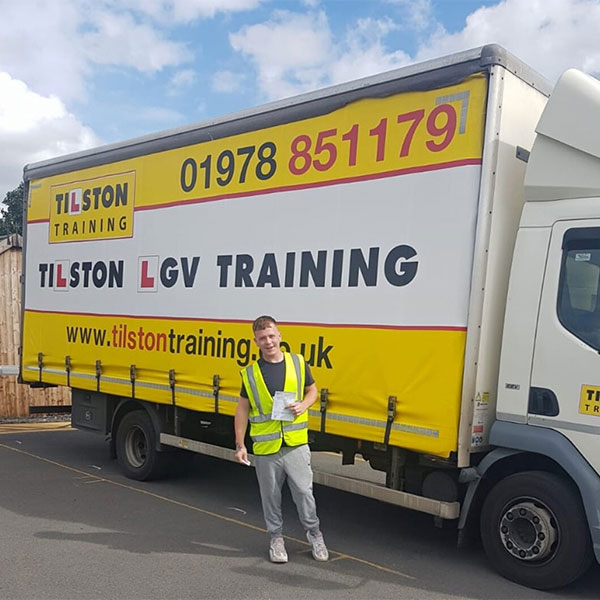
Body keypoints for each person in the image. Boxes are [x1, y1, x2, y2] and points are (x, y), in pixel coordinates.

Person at [234, 315, 328, 564]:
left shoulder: (297, 362)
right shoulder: (251, 373)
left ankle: (315, 534)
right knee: (271, 497)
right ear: (256, 341)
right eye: (262, 338)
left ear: (280, 336)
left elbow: (313, 390)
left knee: (304, 493)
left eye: (271, 336)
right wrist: (240, 444)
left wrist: (304, 405)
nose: (268, 341)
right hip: (266, 448)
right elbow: (242, 409)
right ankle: (276, 540)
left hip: (296, 443)